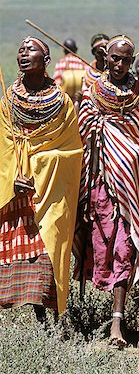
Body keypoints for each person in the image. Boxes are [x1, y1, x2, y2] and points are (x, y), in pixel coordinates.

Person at [74, 35, 139, 346]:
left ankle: (117, 322)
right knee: (101, 243)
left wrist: (130, 153)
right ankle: (88, 313)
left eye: (126, 60)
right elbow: (83, 130)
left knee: (126, 244)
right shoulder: (93, 92)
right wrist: (99, 128)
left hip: (131, 182)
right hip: (100, 181)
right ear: (106, 57)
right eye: (115, 59)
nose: (120, 65)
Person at [0, 37, 83, 320]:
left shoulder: (61, 102)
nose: (23, 54)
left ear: (46, 60)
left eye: (30, 50)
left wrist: (40, 165)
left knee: (51, 246)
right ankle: (39, 319)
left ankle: (56, 318)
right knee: (30, 251)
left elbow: (72, 150)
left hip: (51, 188)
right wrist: (13, 176)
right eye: (20, 50)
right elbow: (3, 145)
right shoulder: (9, 100)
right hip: (18, 189)